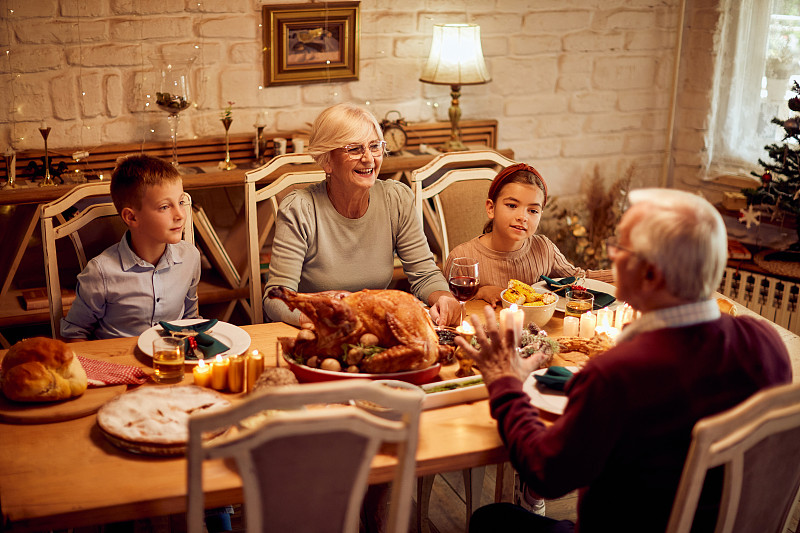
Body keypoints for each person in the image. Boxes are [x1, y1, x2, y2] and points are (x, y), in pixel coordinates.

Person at [458, 188, 792, 533]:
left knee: (490, 520)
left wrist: (505, 384)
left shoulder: (619, 373)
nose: (614, 260)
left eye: (620, 250)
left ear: (649, 274)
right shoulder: (765, 343)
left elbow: (546, 472)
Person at [263, 102, 460, 327]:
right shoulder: (300, 209)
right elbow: (276, 298)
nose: (369, 159)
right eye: (354, 149)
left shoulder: (396, 199)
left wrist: (444, 298)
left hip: (376, 328)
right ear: (327, 161)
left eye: (374, 146)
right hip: (319, 332)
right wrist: (317, 318)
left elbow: (424, 274)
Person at [61, 154, 201, 340]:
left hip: (172, 362)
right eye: (165, 207)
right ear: (131, 217)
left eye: (181, 202)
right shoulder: (100, 273)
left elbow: (190, 319)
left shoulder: (190, 257)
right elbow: (74, 334)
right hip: (116, 363)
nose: (180, 215)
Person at [444, 163, 614, 308]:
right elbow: (444, 303)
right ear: (491, 208)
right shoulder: (462, 258)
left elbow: (578, 279)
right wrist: (480, 292)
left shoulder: (544, 249)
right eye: (512, 205)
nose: (522, 217)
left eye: (533, 210)